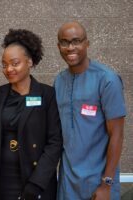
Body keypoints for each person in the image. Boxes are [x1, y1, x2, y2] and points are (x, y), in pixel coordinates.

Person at [0, 29, 63, 200]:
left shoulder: (47, 95)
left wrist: (36, 184)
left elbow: (55, 142)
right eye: (4, 65)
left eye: (14, 63)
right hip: (0, 180)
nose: (8, 69)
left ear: (29, 62)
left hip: (34, 181)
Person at [54, 21, 126, 200]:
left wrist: (106, 184)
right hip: (67, 183)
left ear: (87, 43)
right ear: (58, 46)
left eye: (76, 41)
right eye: (65, 42)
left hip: (98, 183)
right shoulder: (59, 82)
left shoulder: (107, 80)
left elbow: (117, 134)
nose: (71, 47)